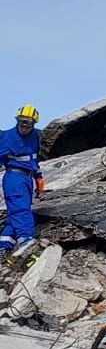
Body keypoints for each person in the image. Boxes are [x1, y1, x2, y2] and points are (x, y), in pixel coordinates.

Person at [0, 105, 44, 260]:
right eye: (21, 122)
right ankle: (26, 242)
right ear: (17, 121)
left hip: (27, 179)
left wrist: (38, 177)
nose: (24, 127)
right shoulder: (6, 138)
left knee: (16, 213)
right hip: (14, 179)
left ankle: (4, 245)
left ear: (33, 124)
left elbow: (33, 159)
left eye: (28, 124)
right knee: (21, 211)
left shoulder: (35, 137)